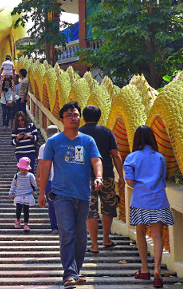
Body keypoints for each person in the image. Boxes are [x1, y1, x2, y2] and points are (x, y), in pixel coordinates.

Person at [38, 102, 104, 288]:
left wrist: (98, 176)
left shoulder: (87, 141)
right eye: (69, 115)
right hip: (61, 194)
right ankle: (69, 274)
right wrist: (42, 192)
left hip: (83, 194)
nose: (73, 118)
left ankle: (76, 272)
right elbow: (45, 167)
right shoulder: (54, 142)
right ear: (61, 119)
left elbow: (96, 160)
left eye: (76, 115)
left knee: (81, 236)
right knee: (67, 232)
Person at [124, 126, 174, 288]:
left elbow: (129, 182)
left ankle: (145, 269)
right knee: (157, 235)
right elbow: (163, 178)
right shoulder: (159, 157)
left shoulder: (131, 158)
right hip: (158, 200)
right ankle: (157, 269)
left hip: (140, 201)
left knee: (140, 233)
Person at [79, 105, 125, 254]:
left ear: (83, 117)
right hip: (106, 175)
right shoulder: (107, 132)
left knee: (90, 210)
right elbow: (116, 155)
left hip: (85, 176)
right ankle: (106, 238)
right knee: (108, 206)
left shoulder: (78, 133)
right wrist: (121, 176)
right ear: (99, 116)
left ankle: (94, 244)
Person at [37, 125, 60, 234]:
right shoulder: (44, 147)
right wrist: (38, 177)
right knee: (52, 205)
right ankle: (54, 227)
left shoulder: (63, 146)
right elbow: (41, 164)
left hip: (62, 180)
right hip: (50, 179)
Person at [9, 156, 37, 233]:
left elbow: (34, 183)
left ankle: (26, 223)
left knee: (26, 210)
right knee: (18, 208)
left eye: (25, 170)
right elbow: (13, 185)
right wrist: (11, 192)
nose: (23, 171)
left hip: (27, 194)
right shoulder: (17, 175)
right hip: (19, 194)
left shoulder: (30, 175)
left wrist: (39, 184)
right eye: (22, 169)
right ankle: (17, 220)